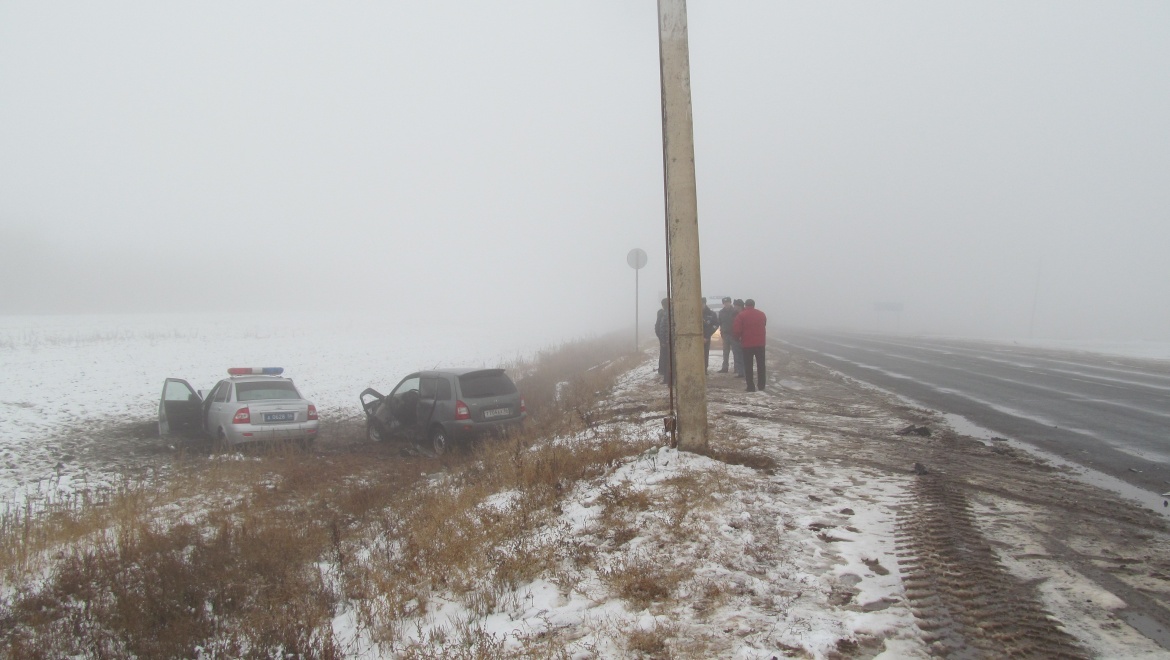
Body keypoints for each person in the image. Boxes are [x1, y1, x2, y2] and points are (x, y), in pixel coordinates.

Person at [732, 298, 767, 392]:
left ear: (745, 305)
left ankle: (750, 386)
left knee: (748, 366)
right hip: (760, 344)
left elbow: (737, 330)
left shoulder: (741, 315)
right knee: (761, 365)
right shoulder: (761, 314)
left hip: (747, 344)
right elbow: (764, 324)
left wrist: (736, 338)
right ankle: (761, 385)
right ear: (754, 305)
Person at [717, 297, 737, 373]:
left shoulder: (734, 311)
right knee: (725, 352)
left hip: (734, 334)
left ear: (730, 302)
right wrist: (721, 332)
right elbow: (720, 322)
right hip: (725, 334)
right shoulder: (721, 312)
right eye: (725, 303)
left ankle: (737, 368)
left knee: (735, 352)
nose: (726, 304)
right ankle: (725, 368)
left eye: (728, 302)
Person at [655, 298, 671, 384]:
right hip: (665, 340)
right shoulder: (663, 314)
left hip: (666, 340)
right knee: (665, 358)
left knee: (666, 359)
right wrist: (663, 340)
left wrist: (663, 340)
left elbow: (660, 328)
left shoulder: (666, 313)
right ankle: (665, 374)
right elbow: (659, 328)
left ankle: (666, 377)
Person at [702, 301, 719, 372]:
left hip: (706, 337)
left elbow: (716, 324)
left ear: (705, 304)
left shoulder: (711, 314)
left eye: (702, 304)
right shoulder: (693, 312)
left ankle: (704, 369)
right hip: (694, 338)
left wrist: (708, 335)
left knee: (705, 353)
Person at [730, 299, 746, 377]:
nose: (734, 306)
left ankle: (745, 372)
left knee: (744, 356)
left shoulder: (745, 314)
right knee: (737, 356)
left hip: (744, 338)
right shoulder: (733, 314)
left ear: (739, 306)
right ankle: (740, 372)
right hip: (735, 338)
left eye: (735, 305)